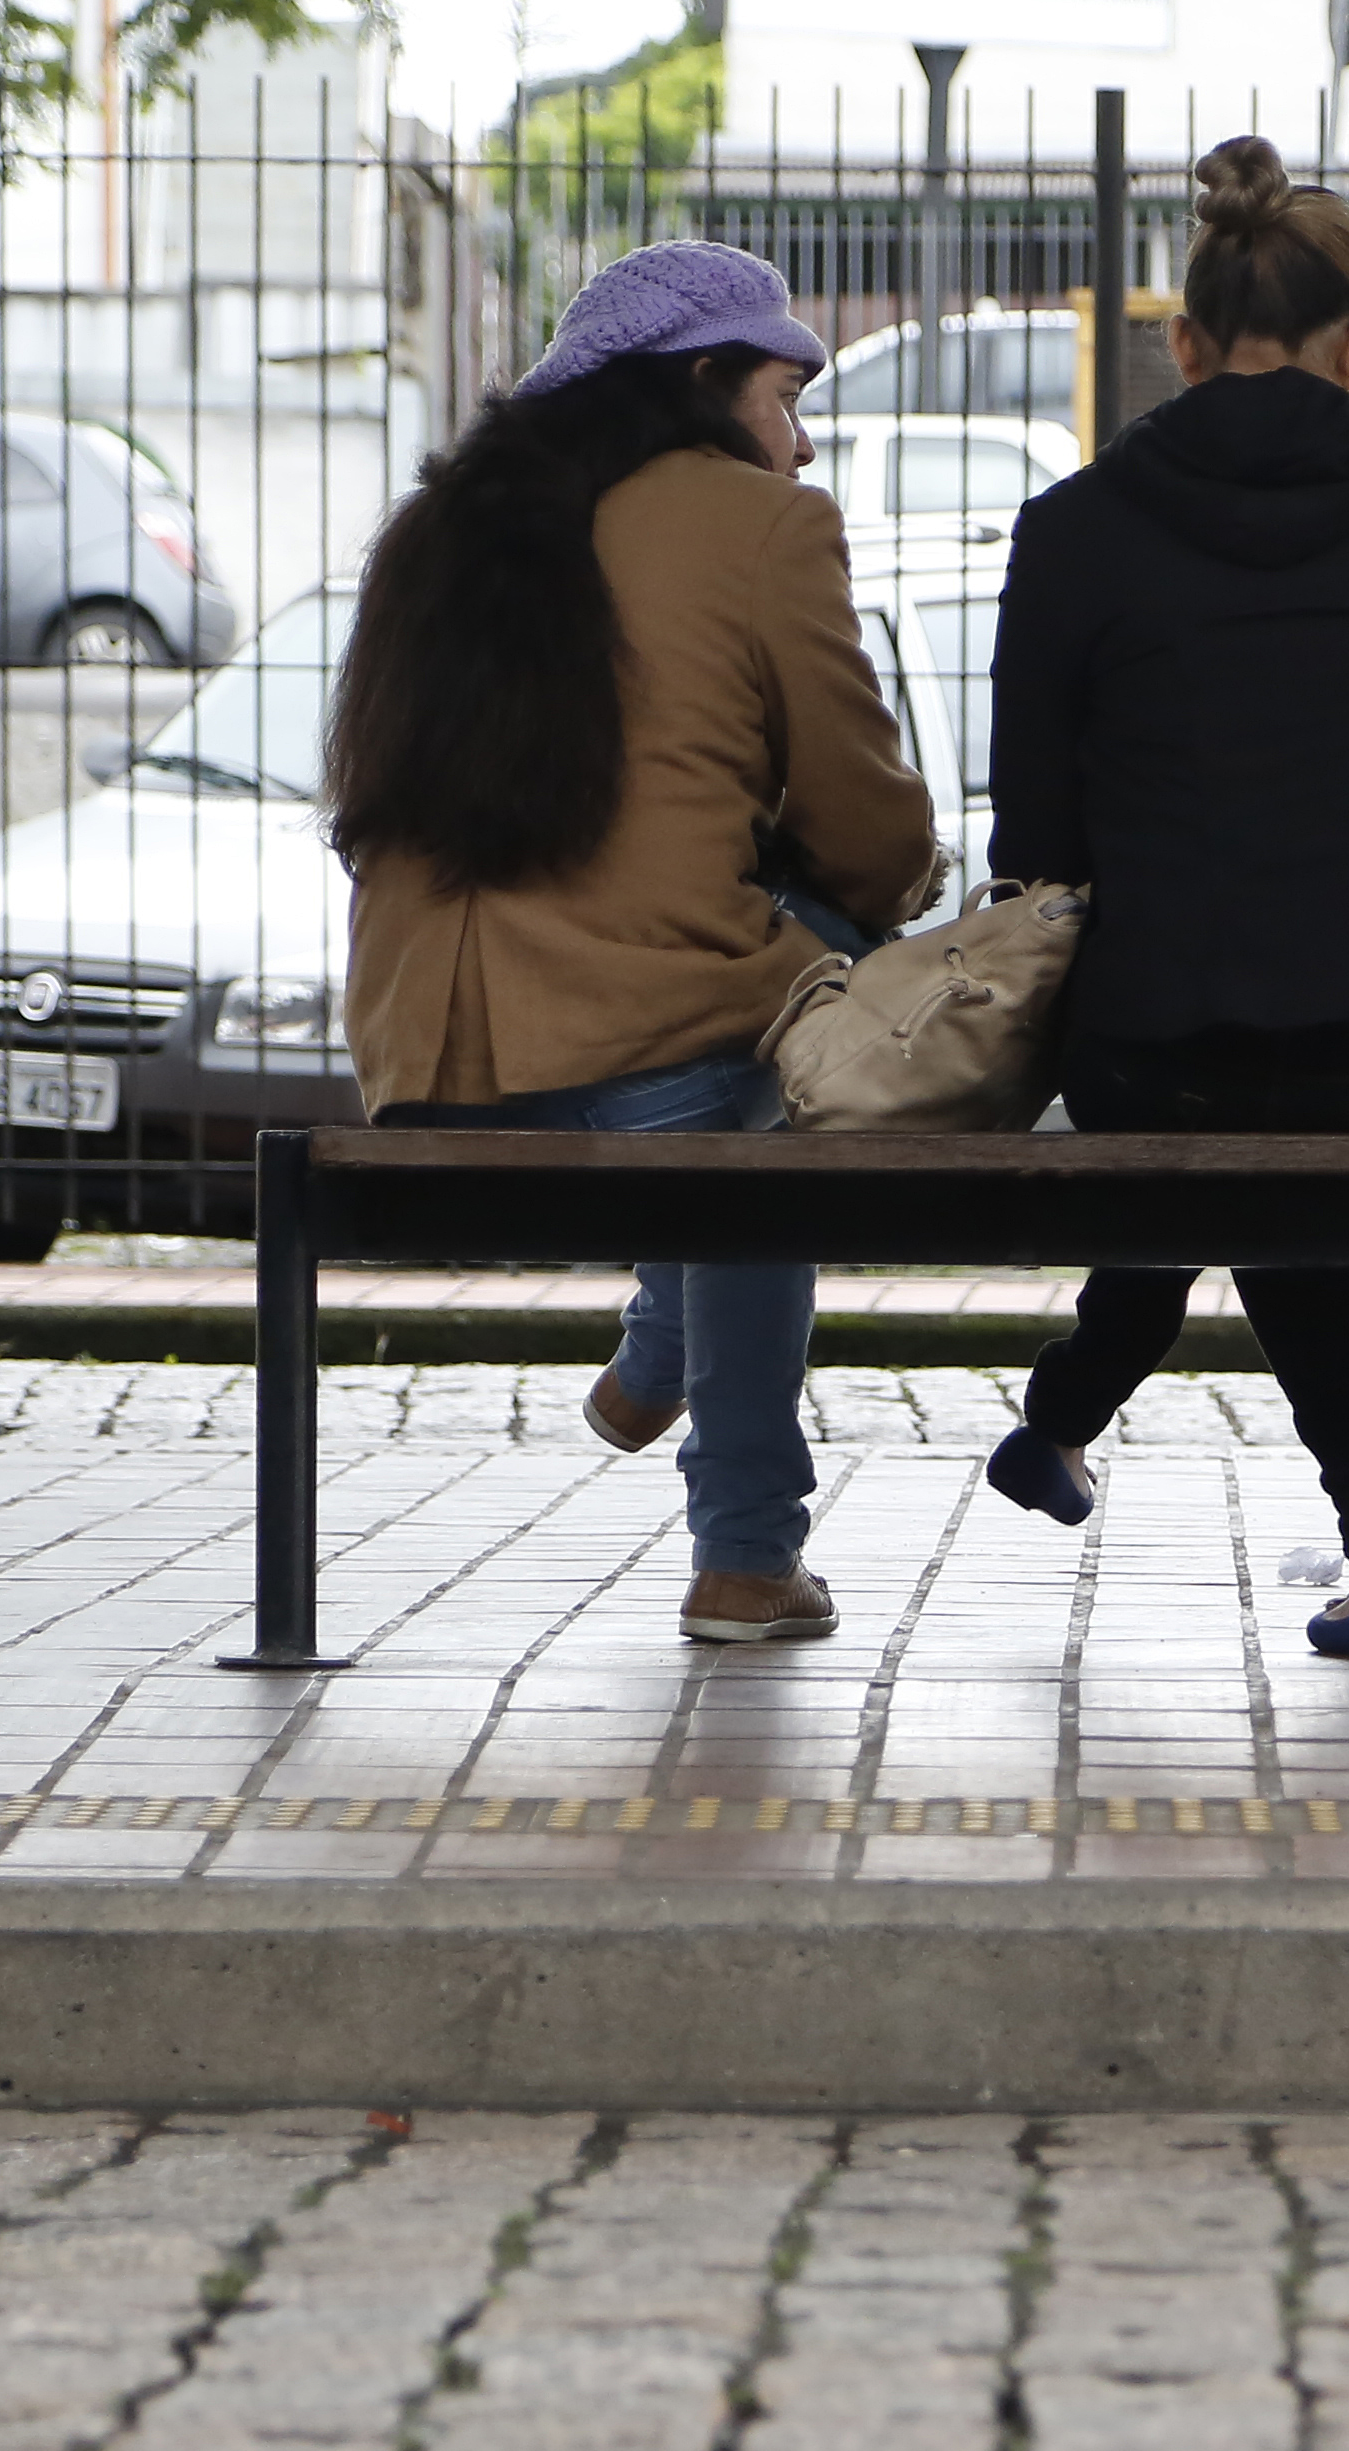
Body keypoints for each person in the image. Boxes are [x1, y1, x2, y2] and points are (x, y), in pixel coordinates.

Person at [969, 136, 1349, 1664]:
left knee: (1221, 1130)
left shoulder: (1073, 527)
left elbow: (1033, 847)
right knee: (1276, 1160)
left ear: (1181, 343)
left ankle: (1086, 1425)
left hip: (1154, 1039)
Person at [332, 241, 936, 1646]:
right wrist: (877, 889)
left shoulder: (438, 526)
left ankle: (659, 1354)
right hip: (649, 1075)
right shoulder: (763, 525)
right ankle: (744, 1553)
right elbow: (865, 828)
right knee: (785, 1057)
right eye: (787, 399)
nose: (800, 442)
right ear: (705, 380)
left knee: (730, 1076)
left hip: (428, 1067)